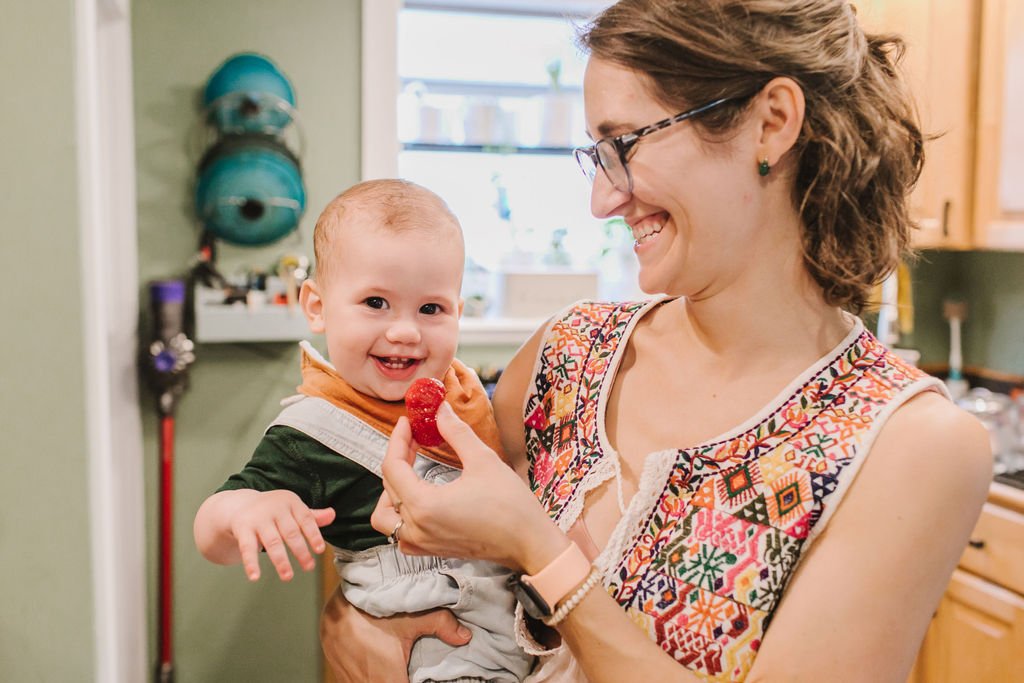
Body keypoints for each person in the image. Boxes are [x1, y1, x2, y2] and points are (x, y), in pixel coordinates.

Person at [322, 1, 994, 681]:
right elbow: (407, 553)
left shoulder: (911, 444)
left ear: (772, 123)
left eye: (625, 143)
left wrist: (540, 546)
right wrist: (355, 622)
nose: (604, 201)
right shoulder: (569, 353)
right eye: (596, 154)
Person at [193, 179, 535, 683]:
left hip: (515, 635)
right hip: (431, 652)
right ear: (316, 306)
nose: (405, 330)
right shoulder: (313, 431)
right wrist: (247, 511)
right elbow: (211, 534)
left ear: (458, 312)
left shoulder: (468, 399)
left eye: (431, 308)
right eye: (376, 303)